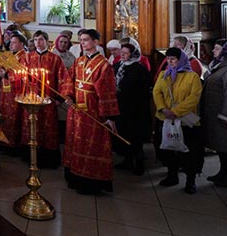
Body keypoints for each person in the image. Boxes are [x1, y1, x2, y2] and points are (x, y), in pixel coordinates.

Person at [62, 29, 119, 195]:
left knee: (91, 146)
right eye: (81, 40)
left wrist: (109, 116)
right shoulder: (79, 61)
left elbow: (107, 92)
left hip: (93, 113)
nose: (82, 43)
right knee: (75, 143)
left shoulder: (104, 65)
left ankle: (90, 183)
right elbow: (69, 79)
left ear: (95, 42)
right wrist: (68, 95)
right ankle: (74, 177)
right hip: (76, 112)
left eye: (86, 40)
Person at [153, 47, 203, 194]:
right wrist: (163, 108)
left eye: (173, 59)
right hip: (166, 118)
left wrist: (175, 112)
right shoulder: (164, 74)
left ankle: (190, 180)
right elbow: (157, 92)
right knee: (168, 149)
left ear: (180, 60)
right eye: (168, 59)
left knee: (188, 151)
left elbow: (194, 97)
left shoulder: (192, 77)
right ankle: (172, 175)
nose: (170, 61)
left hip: (185, 120)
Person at [21, 30, 72, 168]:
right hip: (31, 99)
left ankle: (48, 159)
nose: (38, 42)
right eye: (35, 40)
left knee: (48, 126)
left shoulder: (55, 59)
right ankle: (31, 157)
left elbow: (63, 79)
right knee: (32, 125)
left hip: (49, 99)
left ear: (47, 42)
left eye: (41, 39)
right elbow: (22, 78)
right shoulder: (28, 57)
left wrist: (60, 98)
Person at [113, 43, 152, 176]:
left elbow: (145, 90)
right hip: (120, 107)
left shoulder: (139, 69)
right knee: (123, 134)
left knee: (135, 136)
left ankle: (139, 163)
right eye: (122, 52)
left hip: (135, 109)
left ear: (132, 54)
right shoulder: (118, 66)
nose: (122, 55)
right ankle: (127, 160)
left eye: (126, 53)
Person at [201, 39, 227, 187]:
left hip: (226, 116)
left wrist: (225, 114)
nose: (213, 51)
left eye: (217, 48)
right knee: (221, 146)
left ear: (226, 51)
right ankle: (223, 172)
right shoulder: (219, 65)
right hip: (215, 112)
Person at [0, 31, 28, 152]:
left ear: (22, 44)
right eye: (11, 42)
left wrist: (5, 75)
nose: (11, 45)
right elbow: (3, 67)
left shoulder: (24, 57)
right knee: (5, 114)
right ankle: (4, 141)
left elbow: (23, 74)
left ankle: (13, 144)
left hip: (16, 91)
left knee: (14, 117)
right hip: (6, 91)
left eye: (14, 42)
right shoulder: (11, 55)